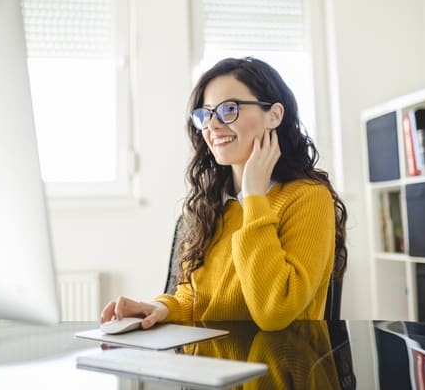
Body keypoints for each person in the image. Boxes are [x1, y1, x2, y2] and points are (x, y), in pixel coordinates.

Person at [101, 56, 347, 331]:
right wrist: (162, 307)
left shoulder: (308, 197)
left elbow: (274, 312)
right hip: (207, 366)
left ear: (274, 115)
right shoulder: (208, 204)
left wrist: (254, 196)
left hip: (275, 367)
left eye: (229, 109)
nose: (213, 126)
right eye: (205, 114)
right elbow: (197, 300)